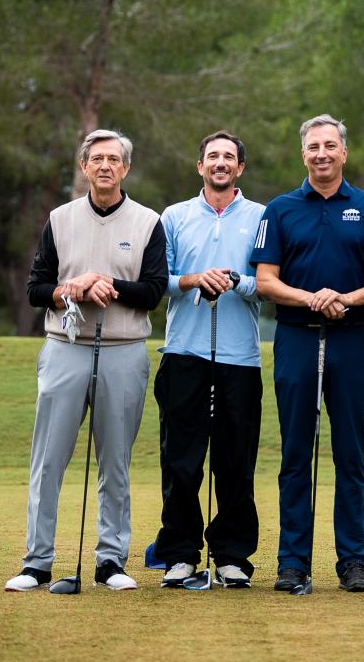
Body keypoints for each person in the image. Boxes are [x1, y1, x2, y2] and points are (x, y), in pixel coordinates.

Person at [5, 129, 167, 592]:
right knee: (48, 460)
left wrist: (105, 284)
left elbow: (154, 291)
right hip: (65, 349)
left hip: (123, 351)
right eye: (96, 159)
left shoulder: (147, 222)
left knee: (114, 462)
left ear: (126, 168)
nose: (105, 166)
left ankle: (110, 561)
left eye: (114, 159)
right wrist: (69, 287)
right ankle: (37, 562)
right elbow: (38, 288)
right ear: (83, 166)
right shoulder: (59, 219)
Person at [251, 114, 364, 593]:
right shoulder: (280, 208)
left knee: (349, 455)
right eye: (313, 147)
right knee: (295, 453)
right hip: (296, 338)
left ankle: (352, 561)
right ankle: (293, 562)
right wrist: (311, 298)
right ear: (303, 154)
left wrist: (346, 299)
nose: (322, 154)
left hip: (352, 340)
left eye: (330, 145)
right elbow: (266, 281)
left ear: (344, 152)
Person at [152, 131, 265, 589]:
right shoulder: (174, 216)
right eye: (212, 157)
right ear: (199, 166)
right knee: (181, 460)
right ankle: (180, 552)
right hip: (184, 352)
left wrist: (235, 280)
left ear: (239, 168)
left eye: (229, 158)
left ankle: (232, 554)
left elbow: (269, 283)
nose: (220, 163)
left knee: (235, 460)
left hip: (240, 357)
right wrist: (195, 279)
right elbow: (159, 280)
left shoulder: (262, 216)